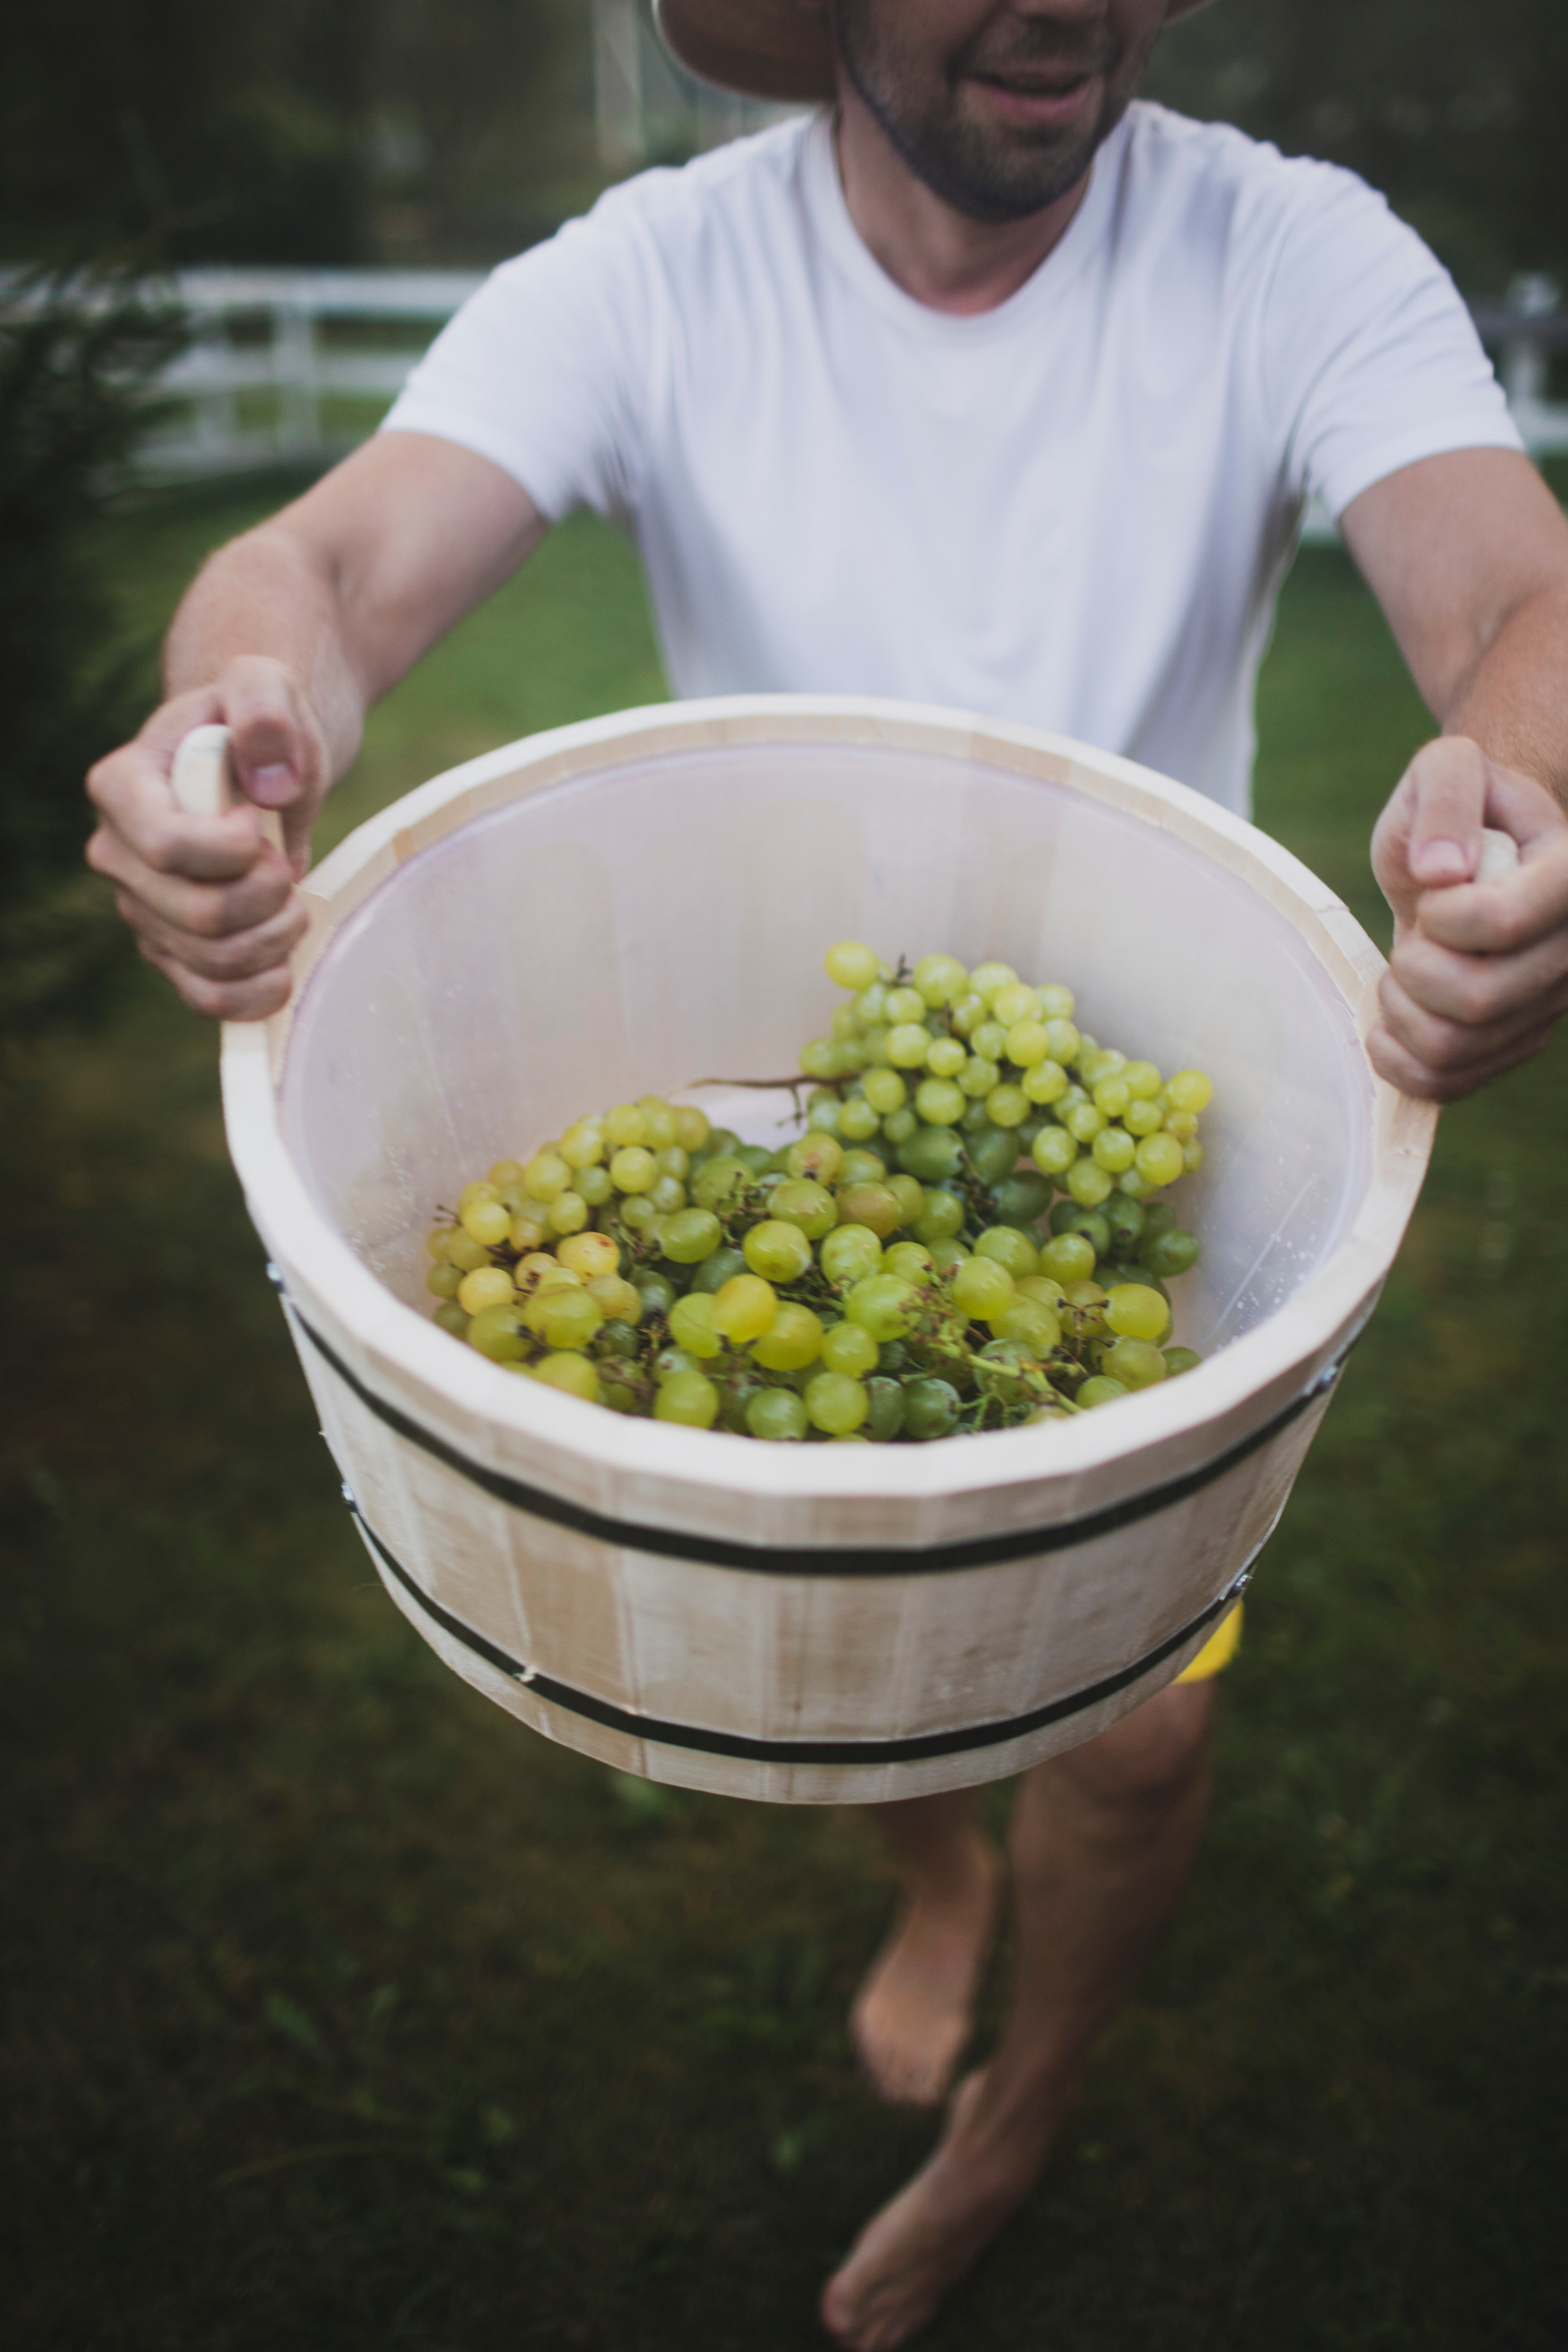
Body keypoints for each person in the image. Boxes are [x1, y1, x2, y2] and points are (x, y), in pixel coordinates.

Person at [85, 4, 1568, 2345]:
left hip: (1123, 1118)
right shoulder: (659, 278)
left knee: (1141, 1704)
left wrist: (1515, 779)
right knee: (855, 1615)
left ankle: (1015, 2124)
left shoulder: (1293, 253)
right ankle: (935, 1883)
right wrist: (227, 724)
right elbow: (333, 576)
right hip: (789, 1118)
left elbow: (1520, 603)